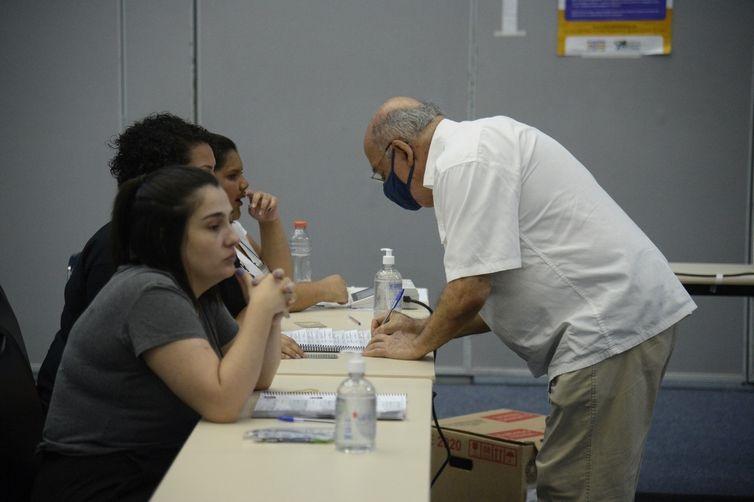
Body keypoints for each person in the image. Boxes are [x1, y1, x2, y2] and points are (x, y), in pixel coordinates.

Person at [362, 97, 696, 501]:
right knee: (574, 479)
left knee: (577, 489)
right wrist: (422, 326)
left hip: (608, 325)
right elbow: (502, 289)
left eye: (382, 175)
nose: (389, 187)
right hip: (614, 318)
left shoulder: (464, 162)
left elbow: (471, 290)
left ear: (401, 151)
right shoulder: (475, 148)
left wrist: (418, 343)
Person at [32, 167, 292, 501]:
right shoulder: (149, 291)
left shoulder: (197, 286)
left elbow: (258, 379)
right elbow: (223, 402)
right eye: (214, 226)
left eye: (229, 221)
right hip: (101, 480)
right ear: (166, 236)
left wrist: (269, 317)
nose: (232, 237)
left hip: (149, 461)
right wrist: (258, 312)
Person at [36, 113, 216, 415]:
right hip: (102, 430)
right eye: (206, 173)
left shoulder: (175, 250)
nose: (217, 183)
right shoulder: (119, 252)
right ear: (168, 179)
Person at [209, 133, 349, 358]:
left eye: (242, 174)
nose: (245, 185)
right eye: (233, 176)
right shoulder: (211, 244)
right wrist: (324, 289)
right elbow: (279, 293)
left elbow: (281, 279)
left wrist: (269, 221)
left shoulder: (234, 228)